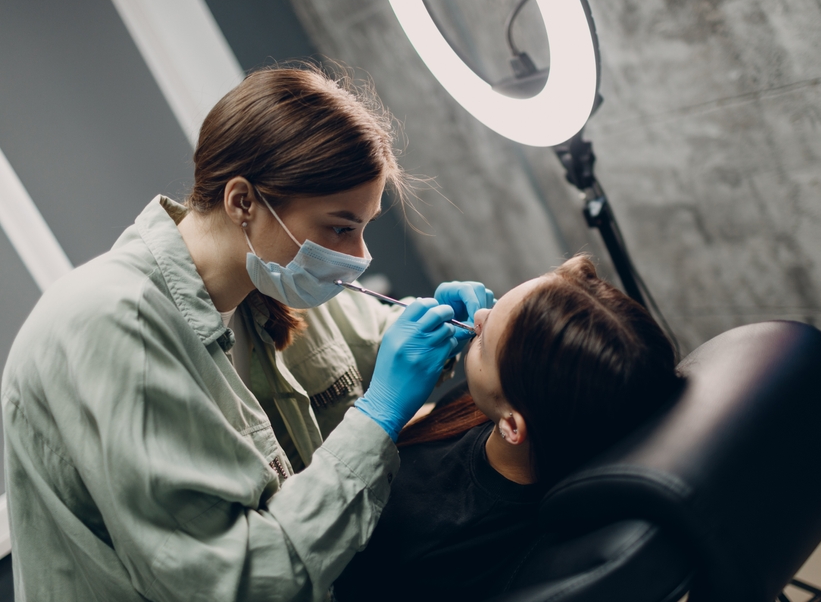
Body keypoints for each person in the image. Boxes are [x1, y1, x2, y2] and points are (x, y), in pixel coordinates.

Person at [1, 64, 493, 601]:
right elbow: (238, 584)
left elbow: (378, 346)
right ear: (243, 202)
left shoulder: (268, 276)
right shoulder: (115, 328)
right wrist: (377, 418)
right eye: (340, 228)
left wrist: (442, 329)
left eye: (364, 228)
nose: (357, 258)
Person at [333, 255, 685, 602]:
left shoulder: (434, 542)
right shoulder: (505, 414)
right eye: (498, 305)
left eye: (484, 345)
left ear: (513, 426)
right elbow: (430, 429)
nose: (481, 315)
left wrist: (380, 409)